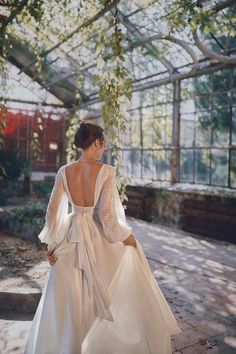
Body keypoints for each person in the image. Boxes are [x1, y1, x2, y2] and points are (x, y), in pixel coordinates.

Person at [24, 122, 182, 354]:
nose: (103, 149)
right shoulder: (106, 171)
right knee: (106, 286)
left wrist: (52, 244)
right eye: (102, 144)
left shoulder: (64, 171)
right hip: (93, 234)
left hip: (70, 236)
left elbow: (52, 213)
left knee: (67, 299)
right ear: (96, 142)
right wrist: (127, 238)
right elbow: (107, 219)